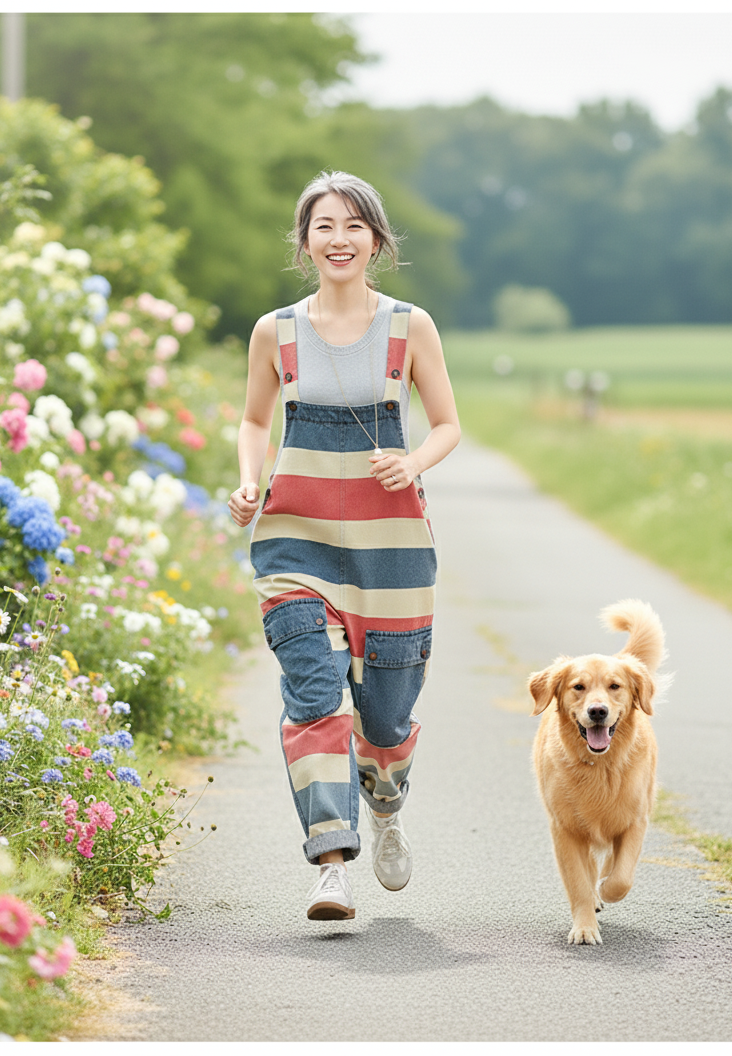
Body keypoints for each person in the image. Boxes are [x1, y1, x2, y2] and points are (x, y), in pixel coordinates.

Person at [228, 171, 460, 920]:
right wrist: (248, 481)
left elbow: (448, 425)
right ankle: (330, 863)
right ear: (304, 242)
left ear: (377, 241)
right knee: (314, 695)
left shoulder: (410, 328)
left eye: (354, 225)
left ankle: (385, 804)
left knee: (385, 721)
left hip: (393, 552)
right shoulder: (275, 331)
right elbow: (255, 421)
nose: (339, 239)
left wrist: (412, 462)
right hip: (295, 545)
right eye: (324, 226)